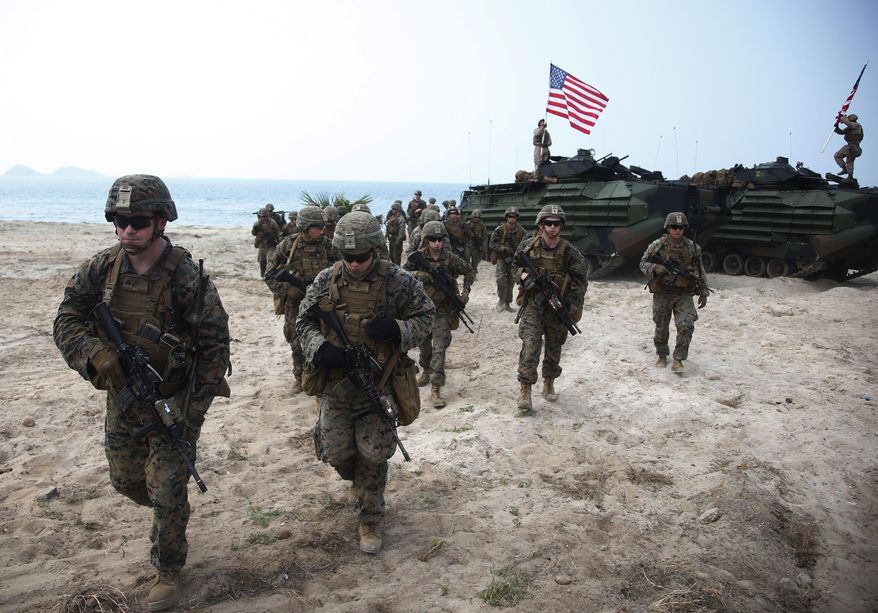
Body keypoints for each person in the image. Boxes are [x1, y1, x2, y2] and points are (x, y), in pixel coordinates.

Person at [52, 175, 231, 611]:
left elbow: (215, 347)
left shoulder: (187, 277)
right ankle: (171, 508)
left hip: (174, 399)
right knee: (126, 481)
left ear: (161, 221)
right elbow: (66, 319)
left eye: (138, 221)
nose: (127, 229)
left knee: (167, 487)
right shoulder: (101, 269)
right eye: (119, 221)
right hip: (124, 397)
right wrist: (93, 353)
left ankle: (168, 570)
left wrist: (193, 412)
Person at [296, 211, 435, 554]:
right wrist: (319, 348)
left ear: (375, 250)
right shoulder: (327, 279)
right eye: (348, 257)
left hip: (379, 383)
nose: (355, 264)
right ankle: (355, 481)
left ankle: (370, 519)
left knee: (374, 455)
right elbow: (304, 320)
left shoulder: (398, 281)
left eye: (361, 257)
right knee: (336, 452)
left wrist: (398, 329)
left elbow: (426, 316)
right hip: (336, 385)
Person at [514, 204, 587, 412]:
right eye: (548, 223)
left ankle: (549, 383)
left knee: (554, 346)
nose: (552, 227)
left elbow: (581, 279)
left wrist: (571, 303)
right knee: (530, 345)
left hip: (556, 307)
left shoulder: (569, 251)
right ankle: (525, 389)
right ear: (541, 225)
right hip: (533, 305)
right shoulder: (528, 246)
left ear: (561, 226)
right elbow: (514, 266)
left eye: (556, 223)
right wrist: (524, 276)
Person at [265, 205, 337, 394]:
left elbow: (341, 270)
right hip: (296, 302)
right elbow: (269, 274)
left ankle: (320, 377)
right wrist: (287, 290)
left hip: (322, 301)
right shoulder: (288, 245)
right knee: (296, 341)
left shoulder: (328, 246)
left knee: (325, 340)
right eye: (317, 227)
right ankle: (299, 378)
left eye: (323, 226)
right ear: (305, 227)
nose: (322, 230)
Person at [404, 221, 474, 408]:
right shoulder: (418, 257)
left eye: (440, 239)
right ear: (426, 240)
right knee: (424, 345)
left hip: (442, 309)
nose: (437, 243)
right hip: (421, 309)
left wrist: (465, 292)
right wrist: (419, 274)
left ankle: (436, 387)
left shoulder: (450, 259)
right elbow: (402, 273)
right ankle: (426, 370)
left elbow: (469, 271)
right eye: (433, 239)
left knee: (440, 347)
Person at [639, 212, 709, 373]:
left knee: (686, 324)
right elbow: (643, 264)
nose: (677, 230)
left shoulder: (692, 248)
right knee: (661, 326)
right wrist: (655, 268)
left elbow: (700, 270)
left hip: (683, 294)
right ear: (668, 228)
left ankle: (678, 359)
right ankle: (662, 355)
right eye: (674, 227)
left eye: (681, 227)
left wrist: (703, 291)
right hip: (662, 292)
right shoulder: (657, 245)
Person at [488, 207, 527, 312]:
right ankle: (501, 300)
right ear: (506, 217)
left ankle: (507, 303)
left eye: (514, 217)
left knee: (511, 281)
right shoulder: (500, 230)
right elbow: (491, 244)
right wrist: (503, 248)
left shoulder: (521, 231)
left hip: (514, 260)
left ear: (517, 218)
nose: (512, 219)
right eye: (510, 216)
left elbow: (526, 244)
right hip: (502, 258)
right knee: (501, 279)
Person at [251, 207, 281, 277]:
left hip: (271, 243)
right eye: (261, 216)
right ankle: (262, 274)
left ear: (267, 216)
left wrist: (277, 241)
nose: (263, 218)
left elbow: (278, 233)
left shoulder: (273, 223)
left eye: (264, 216)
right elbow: (253, 233)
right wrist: (255, 230)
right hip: (262, 243)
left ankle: (270, 274)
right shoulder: (257, 224)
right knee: (262, 260)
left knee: (272, 259)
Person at [833, 113, 864, 178]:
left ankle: (847, 172)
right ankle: (848, 174)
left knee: (839, 156)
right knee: (848, 161)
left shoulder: (857, 126)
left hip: (853, 147)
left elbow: (850, 124)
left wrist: (842, 118)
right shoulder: (850, 127)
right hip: (851, 147)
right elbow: (841, 132)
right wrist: (836, 128)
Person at [466, 208, 486, 277]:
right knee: (467, 258)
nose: (477, 219)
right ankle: (468, 273)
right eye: (475, 217)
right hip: (468, 244)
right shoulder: (468, 224)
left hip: (476, 245)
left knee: (475, 261)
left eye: (478, 217)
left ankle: (473, 273)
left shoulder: (482, 225)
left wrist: (484, 247)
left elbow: (485, 237)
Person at [385, 200, 406, 265]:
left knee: (396, 256)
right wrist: (386, 236)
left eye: (394, 209)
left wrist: (398, 240)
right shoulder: (392, 217)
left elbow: (402, 231)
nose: (392, 210)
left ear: (398, 210)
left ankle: (397, 268)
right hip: (391, 239)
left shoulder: (401, 218)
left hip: (397, 239)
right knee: (391, 255)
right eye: (392, 209)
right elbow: (388, 228)